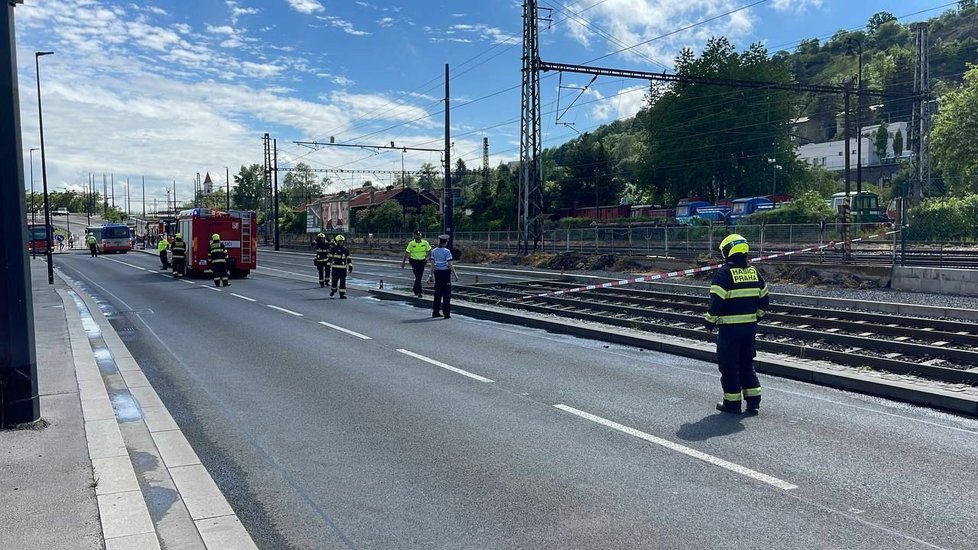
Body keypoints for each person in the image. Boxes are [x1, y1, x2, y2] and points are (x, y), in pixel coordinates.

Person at [704, 234, 769, 414]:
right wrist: (755, 317)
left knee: (729, 365)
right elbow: (765, 301)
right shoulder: (754, 273)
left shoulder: (723, 274)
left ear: (727, 251)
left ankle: (732, 403)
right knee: (746, 363)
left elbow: (716, 303)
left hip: (729, 331)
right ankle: (753, 401)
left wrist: (709, 323)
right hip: (749, 330)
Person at [429, 234, 458, 319]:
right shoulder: (447, 251)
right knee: (446, 294)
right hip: (445, 274)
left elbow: (432, 264)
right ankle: (446, 313)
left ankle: (435, 312)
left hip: (437, 273)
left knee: (437, 293)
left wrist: (431, 274)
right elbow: (450, 264)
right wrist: (455, 274)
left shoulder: (434, 251)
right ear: (446, 242)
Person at [401, 230, 432, 298]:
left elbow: (429, 250)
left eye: (419, 235)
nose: (418, 236)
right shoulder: (411, 243)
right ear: (414, 236)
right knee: (418, 277)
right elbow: (407, 253)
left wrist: (429, 258)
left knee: (419, 277)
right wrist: (403, 262)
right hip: (414, 262)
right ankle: (419, 292)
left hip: (422, 261)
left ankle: (416, 290)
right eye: (417, 235)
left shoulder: (425, 243)